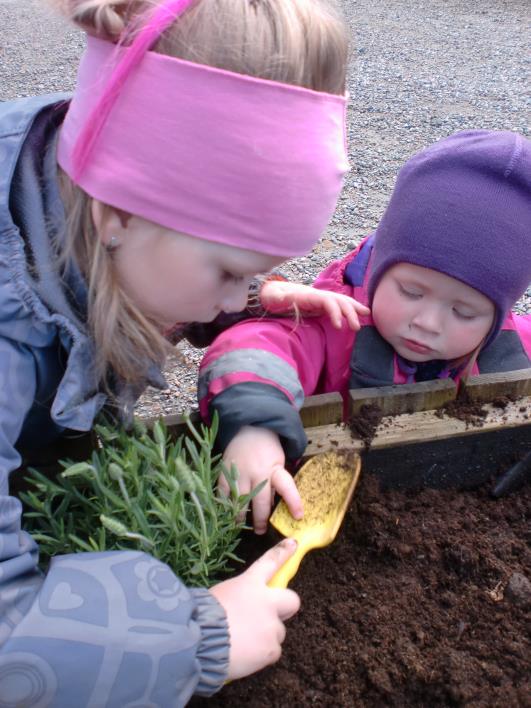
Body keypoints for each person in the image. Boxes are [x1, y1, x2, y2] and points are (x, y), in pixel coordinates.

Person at [0, 0, 367, 703]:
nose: (238, 299)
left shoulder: (78, 178)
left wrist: (262, 298)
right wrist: (197, 636)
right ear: (117, 215)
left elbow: (153, 261)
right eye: (230, 273)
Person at [199, 130, 531, 534]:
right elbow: (253, 347)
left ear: (498, 317)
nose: (427, 322)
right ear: (378, 269)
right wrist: (255, 426)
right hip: (319, 500)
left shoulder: (509, 347)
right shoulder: (335, 321)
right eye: (410, 291)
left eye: (464, 312)